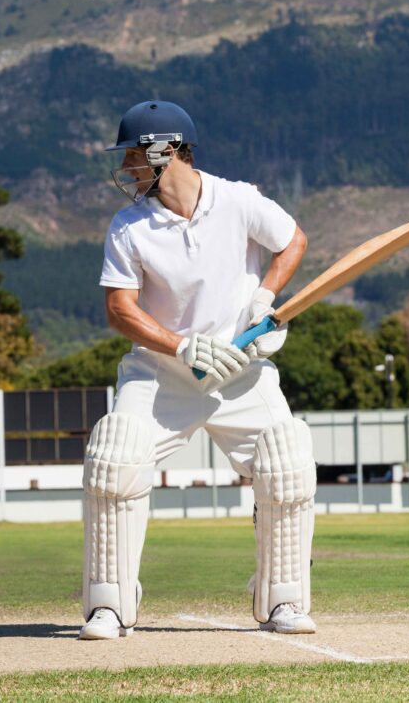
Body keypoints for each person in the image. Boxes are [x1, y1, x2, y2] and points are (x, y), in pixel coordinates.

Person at [79, 100, 317, 640]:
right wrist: (181, 346)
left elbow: (292, 241)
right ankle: (110, 605)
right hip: (161, 376)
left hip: (242, 372)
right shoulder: (129, 226)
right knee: (116, 458)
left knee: (287, 461)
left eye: (134, 156)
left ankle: (281, 600)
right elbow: (120, 309)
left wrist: (263, 298)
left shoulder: (238, 200)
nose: (127, 169)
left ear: (165, 151)